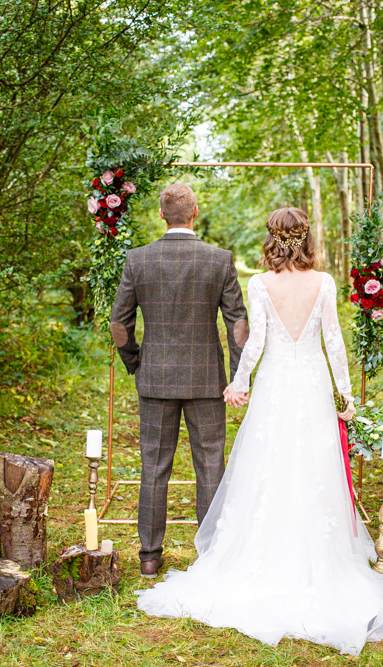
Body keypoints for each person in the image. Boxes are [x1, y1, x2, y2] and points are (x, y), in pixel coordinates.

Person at [136, 207, 383, 656]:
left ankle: (260, 557)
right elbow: (333, 341)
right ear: (307, 239)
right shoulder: (325, 283)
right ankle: (315, 557)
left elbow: (255, 340)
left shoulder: (260, 284)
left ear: (273, 240)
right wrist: (345, 395)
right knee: (312, 464)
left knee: (269, 465)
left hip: (277, 384)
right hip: (314, 384)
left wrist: (238, 385)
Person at [110, 183, 249, 578]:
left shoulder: (139, 259)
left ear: (161, 215)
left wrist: (137, 363)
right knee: (210, 465)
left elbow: (119, 325)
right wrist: (237, 376)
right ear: (195, 213)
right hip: (207, 380)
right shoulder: (218, 259)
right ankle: (211, 555)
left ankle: (150, 557)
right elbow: (238, 325)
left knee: (154, 467)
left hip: (155, 379)